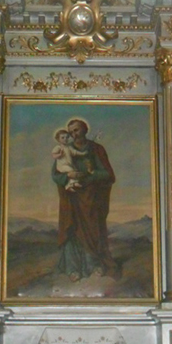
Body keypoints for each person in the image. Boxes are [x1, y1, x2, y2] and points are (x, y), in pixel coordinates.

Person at [52, 118, 118, 282]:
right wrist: (68, 175)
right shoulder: (64, 149)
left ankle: (93, 266)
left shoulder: (96, 149)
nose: (74, 134)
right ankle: (73, 269)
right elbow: (56, 175)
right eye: (71, 132)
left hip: (91, 200)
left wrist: (89, 176)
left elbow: (108, 174)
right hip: (71, 199)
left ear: (85, 130)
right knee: (72, 232)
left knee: (91, 232)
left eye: (76, 130)